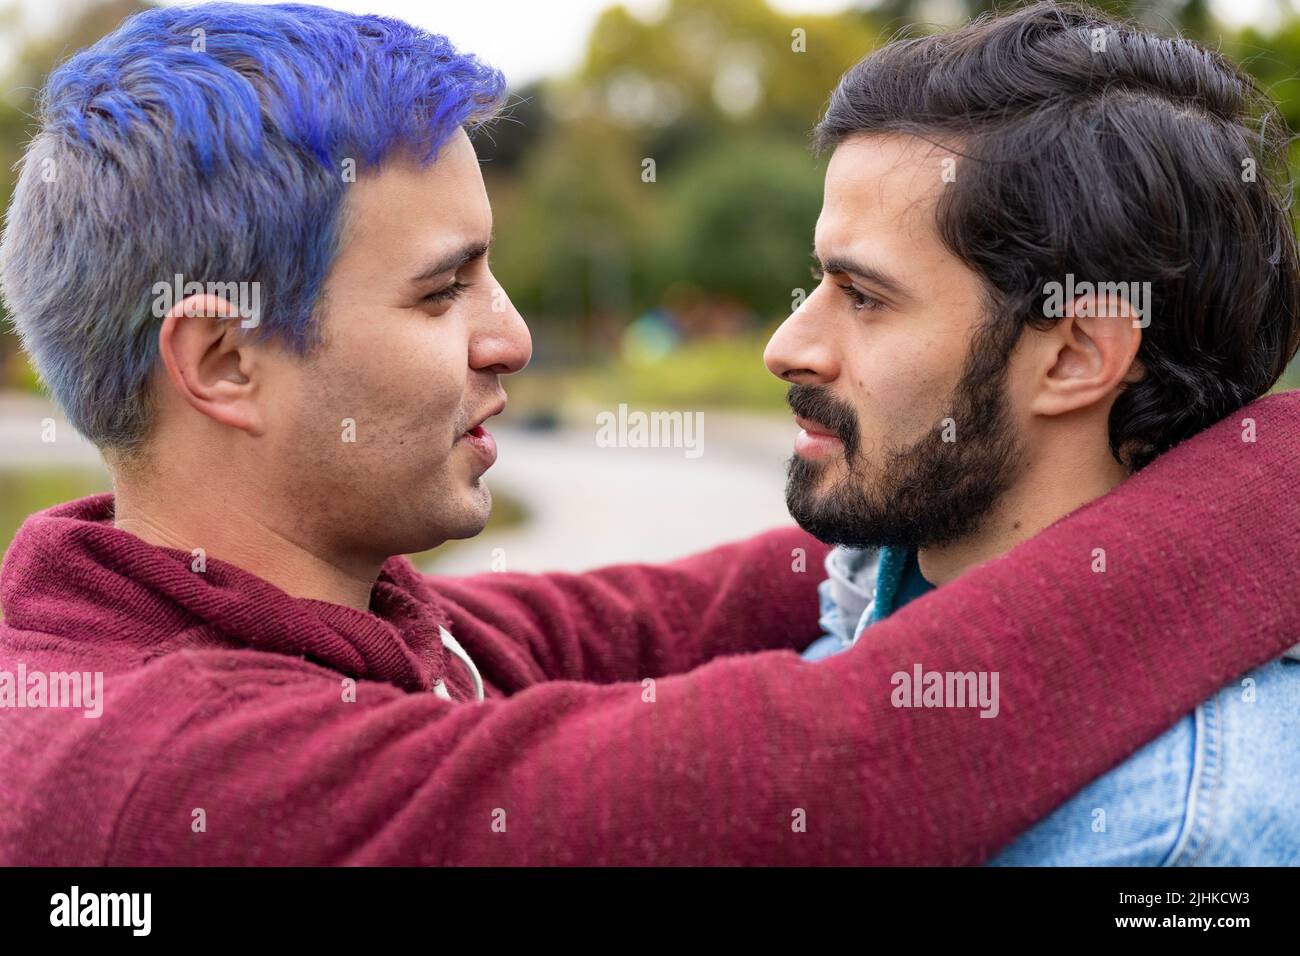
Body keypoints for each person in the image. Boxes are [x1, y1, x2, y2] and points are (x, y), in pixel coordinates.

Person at [0, 2, 1297, 866]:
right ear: (221, 359)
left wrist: (1074, 477)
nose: (509, 335)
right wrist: (1266, 479)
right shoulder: (154, 773)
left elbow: (664, 614)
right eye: (443, 289)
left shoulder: (324, 624)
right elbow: (823, 768)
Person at [770, 2, 1300, 863]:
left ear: (1077, 356)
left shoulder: (1167, 842)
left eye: (864, 297)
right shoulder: (873, 584)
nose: (785, 347)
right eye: (817, 283)